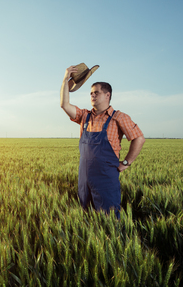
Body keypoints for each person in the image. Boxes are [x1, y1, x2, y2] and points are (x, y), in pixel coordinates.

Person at [60, 65, 145, 218]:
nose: (92, 96)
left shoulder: (119, 117)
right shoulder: (84, 116)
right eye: (91, 93)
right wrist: (65, 80)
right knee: (85, 216)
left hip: (106, 178)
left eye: (96, 93)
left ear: (107, 95)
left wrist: (126, 163)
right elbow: (64, 105)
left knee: (109, 217)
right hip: (84, 178)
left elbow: (139, 138)